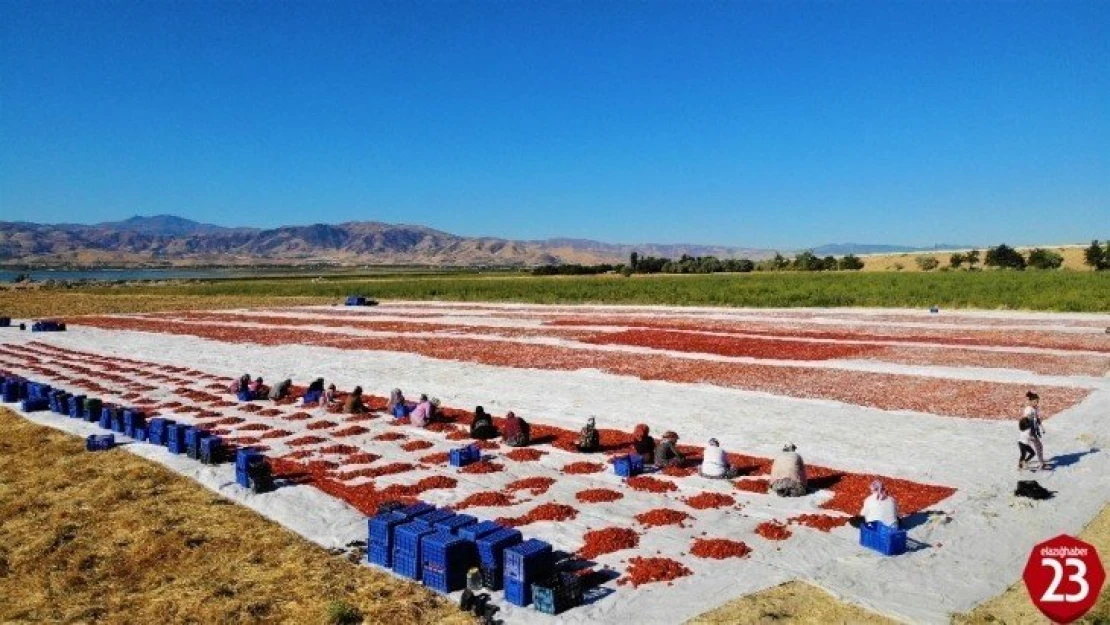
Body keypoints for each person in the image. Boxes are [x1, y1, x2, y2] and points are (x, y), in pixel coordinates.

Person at [1024, 391, 1047, 468]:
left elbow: (1037, 419)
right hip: (1029, 431)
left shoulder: (1035, 408)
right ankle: (1041, 462)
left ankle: (1024, 461)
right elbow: (1028, 420)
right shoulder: (1028, 409)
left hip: (1033, 431)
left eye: (1037, 401)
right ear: (1030, 401)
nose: (1036, 403)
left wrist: (1041, 427)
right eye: (1035, 401)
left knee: (1034, 447)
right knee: (1038, 446)